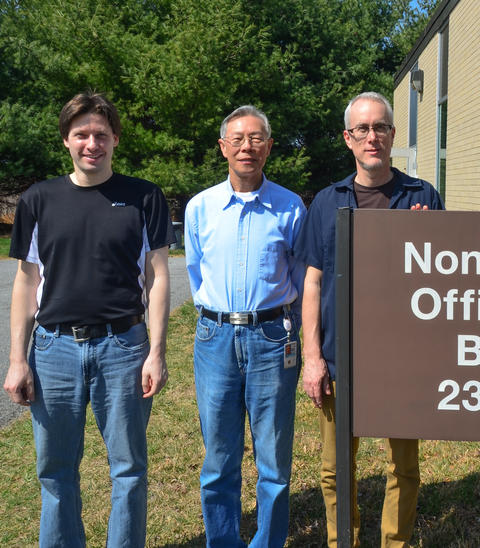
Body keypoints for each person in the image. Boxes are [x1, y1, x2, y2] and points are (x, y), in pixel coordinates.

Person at [3, 92, 174, 547]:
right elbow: (25, 282)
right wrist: (17, 360)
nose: (91, 143)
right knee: (55, 470)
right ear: (66, 140)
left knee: (129, 470)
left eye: (101, 134)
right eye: (81, 134)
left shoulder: (144, 197)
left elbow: (158, 277)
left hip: (124, 348)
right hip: (54, 350)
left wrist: (156, 352)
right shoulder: (38, 199)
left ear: (116, 139)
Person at [295, 91, 443, 547]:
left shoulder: (423, 195)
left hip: (403, 360)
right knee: (335, 467)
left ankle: (394, 543)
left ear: (393, 135)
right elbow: (312, 284)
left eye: (380, 127)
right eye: (363, 129)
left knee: (404, 467)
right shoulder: (325, 201)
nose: (372, 136)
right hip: (342, 356)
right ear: (348, 138)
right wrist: (313, 358)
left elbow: (444, 279)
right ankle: (346, 542)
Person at [184, 105, 306, 547]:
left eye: (256, 139)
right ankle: (224, 541)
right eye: (237, 139)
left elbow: (298, 275)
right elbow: (196, 273)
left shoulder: (290, 207)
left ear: (269, 147)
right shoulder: (201, 208)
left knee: (273, 456)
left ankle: (269, 541)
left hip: (274, 338)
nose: (247, 147)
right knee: (219, 455)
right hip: (214, 337)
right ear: (223, 148)